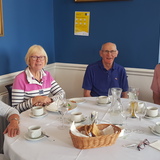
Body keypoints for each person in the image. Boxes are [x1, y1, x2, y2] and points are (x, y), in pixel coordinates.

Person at [12, 45, 65, 113]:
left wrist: (49, 99)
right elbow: (15, 109)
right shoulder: (20, 79)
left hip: (45, 114)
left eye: (42, 57)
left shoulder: (47, 75)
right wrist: (34, 100)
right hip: (28, 118)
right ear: (28, 60)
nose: (38, 60)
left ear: (45, 60)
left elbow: (62, 93)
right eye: (34, 57)